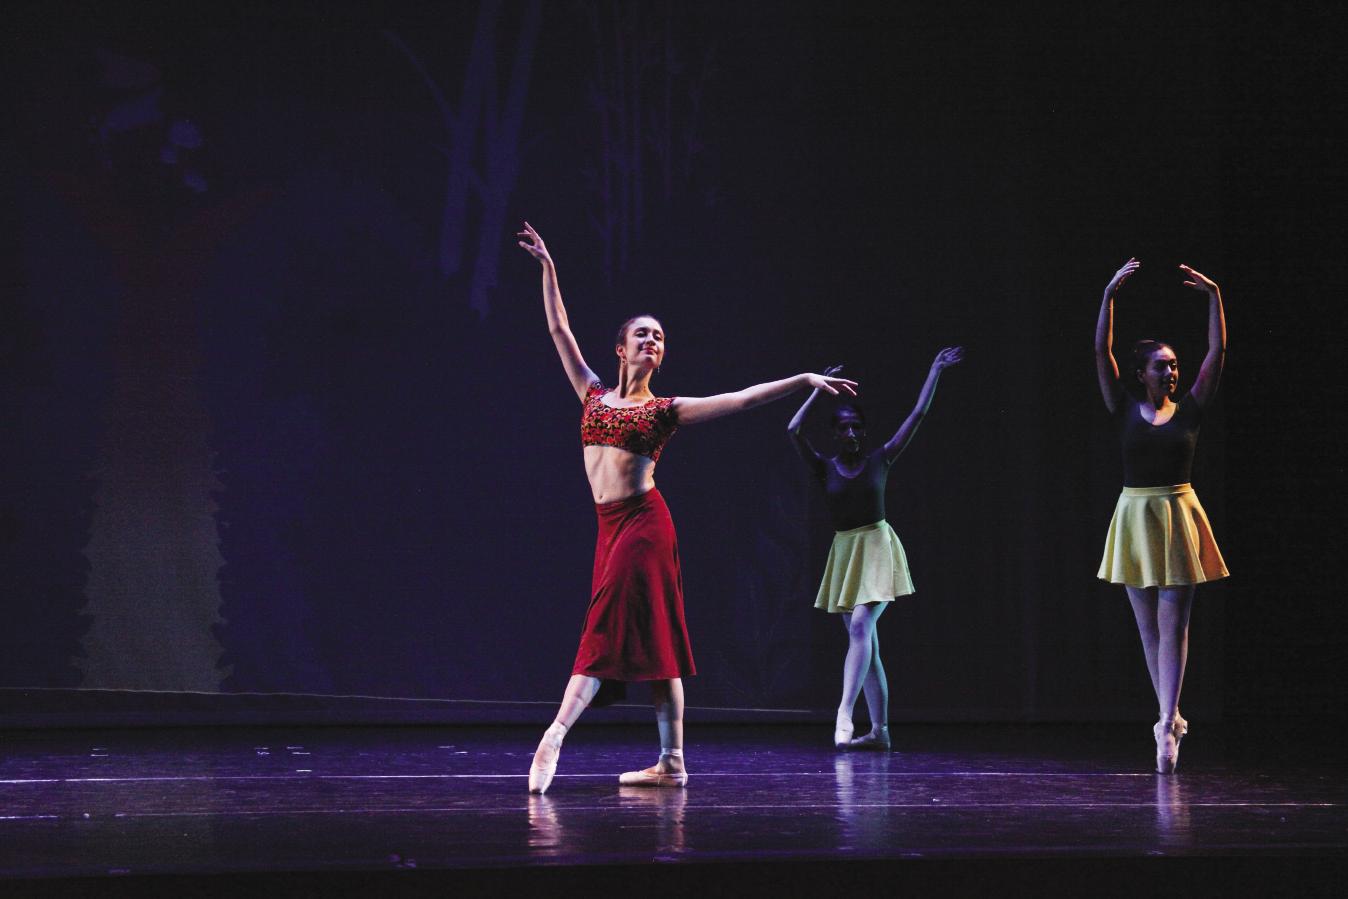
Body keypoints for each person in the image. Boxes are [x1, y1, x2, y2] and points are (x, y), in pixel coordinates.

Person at [517, 222, 857, 793]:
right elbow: (558, 326)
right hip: (609, 529)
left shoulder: (666, 410)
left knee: (608, 628)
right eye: (642, 335)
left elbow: (740, 399)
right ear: (621, 348)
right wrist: (549, 266)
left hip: (646, 527)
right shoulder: (592, 394)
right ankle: (672, 762)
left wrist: (801, 379)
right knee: (658, 641)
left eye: (660, 338)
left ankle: (554, 735)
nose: (653, 342)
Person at [787, 349, 963, 750]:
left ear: (862, 432)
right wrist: (817, 389)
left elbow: (916, 417)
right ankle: (880, 732)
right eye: (843, 428)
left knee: (863, 628)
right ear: (835, 432)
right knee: (865, 646)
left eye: (856, 428)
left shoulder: (880, 459)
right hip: (846, 551)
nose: (850, 434)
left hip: (877, 544)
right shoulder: (824, 466)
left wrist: (934, 370)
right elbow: (793, 429)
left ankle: (844, 712)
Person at [1094, 258, 1229, 774]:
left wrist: (1214, 296)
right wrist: (1108, 295)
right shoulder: (1124, 408)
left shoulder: (1191, 408)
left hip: (1178, 511)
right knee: (1148, 629)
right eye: (1162, 365)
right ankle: (1166, 718)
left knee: (1175, 624)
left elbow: (1217, 351)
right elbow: (1100, 351)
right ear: (1142, 372)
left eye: (1174, 364)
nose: (1171, 371)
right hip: (1135, 514)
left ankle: (1166, 725)